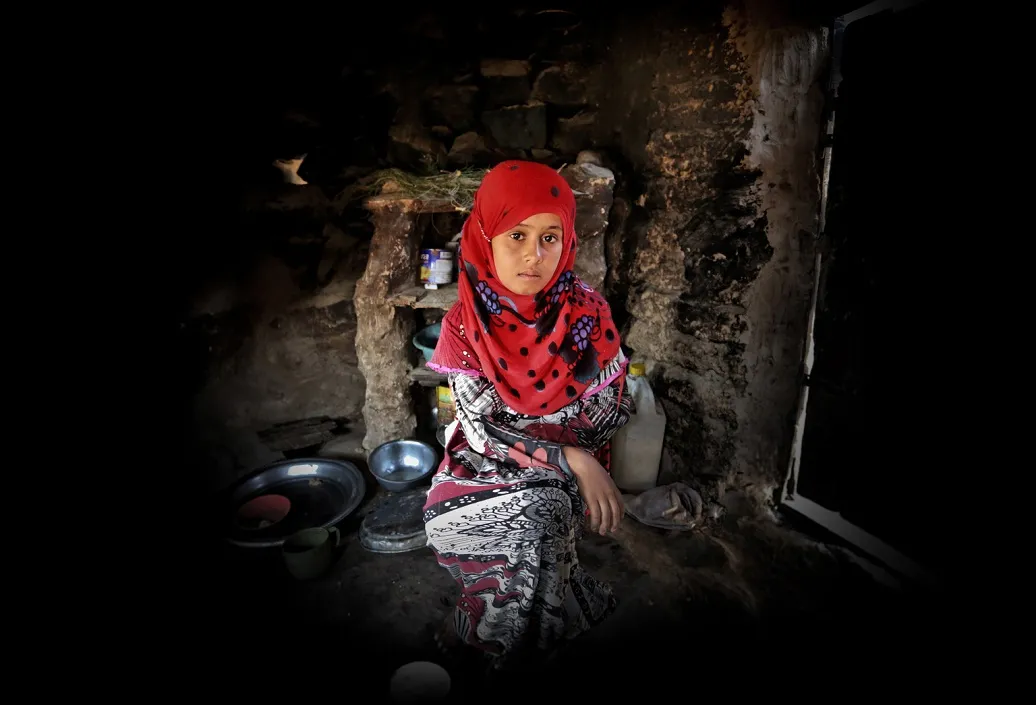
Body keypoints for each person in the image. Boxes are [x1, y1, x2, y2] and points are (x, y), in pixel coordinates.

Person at [423, 160, 634, 670]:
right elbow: (478, 429)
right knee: (468, 521)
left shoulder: (588, 312)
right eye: (516, 234)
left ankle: (504, 639)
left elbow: (611, 404)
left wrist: (569, 452)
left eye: (549, 237)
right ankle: (500, 620)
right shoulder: (464, 323)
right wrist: (566, 454)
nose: (533, 256)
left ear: (568, 242)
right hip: (483, 459)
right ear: (485, 233)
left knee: (540, 515)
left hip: (564, 453)